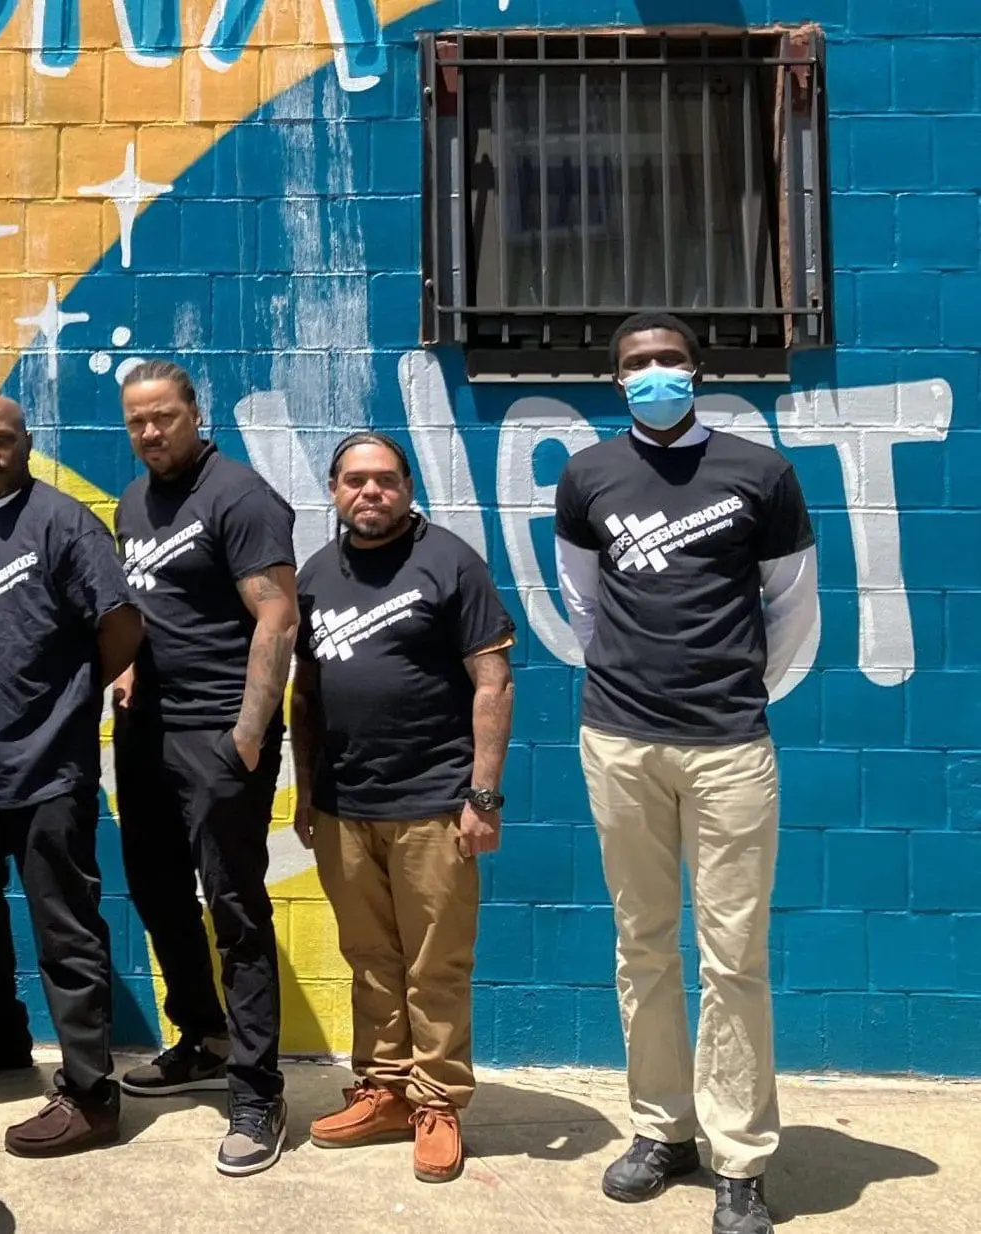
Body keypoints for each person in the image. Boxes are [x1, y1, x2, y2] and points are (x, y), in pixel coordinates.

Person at [555, 314, 818, 1234]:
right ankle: (659, 1129)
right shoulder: (587, 475)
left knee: (733, 958)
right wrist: (635, 681)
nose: (653, 373)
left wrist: (733, 693)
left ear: (696, 371)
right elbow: (583, 600)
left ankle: (738, 1157)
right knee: (642, 944)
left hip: (730, 748)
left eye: (667, 360)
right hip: (618, 741)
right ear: (614, 380)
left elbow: (789, 608)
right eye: (636, 364)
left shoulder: (761, 472)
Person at [288, 432, 515, 1185]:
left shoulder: (449, 562)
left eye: (384, 480)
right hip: (345, 806)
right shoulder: (315, 576)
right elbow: (307, 697)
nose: (369, 493)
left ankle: (438, 1101)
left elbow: (493, 682)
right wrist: (306, 789)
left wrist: (480, 796)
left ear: (408, 486)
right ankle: (385, 1089)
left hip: (434, 805)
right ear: (333, 490)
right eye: (354, 481)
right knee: (370, 961)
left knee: (435, 966)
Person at [0, 397, 144, 1158]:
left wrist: (76, 700)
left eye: (2, 439)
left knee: (65, 929)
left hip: (49, 765)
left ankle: (92, 1095)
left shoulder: (63, 521)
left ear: (25, 444)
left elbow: (121, 622)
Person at [110, 360, 299, 1177]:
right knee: (155, 889)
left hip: (219, 735)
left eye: (163, 417)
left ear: (194, 412)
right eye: (137, 422)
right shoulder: (131, 501)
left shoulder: (239, 495)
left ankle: (258, 1090)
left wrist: (248, 734)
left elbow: (278, 613)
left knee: (232, 905)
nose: (150, 433)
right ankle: (202, 1036)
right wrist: (125, 669)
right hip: (144, 733)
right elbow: (146, 608)